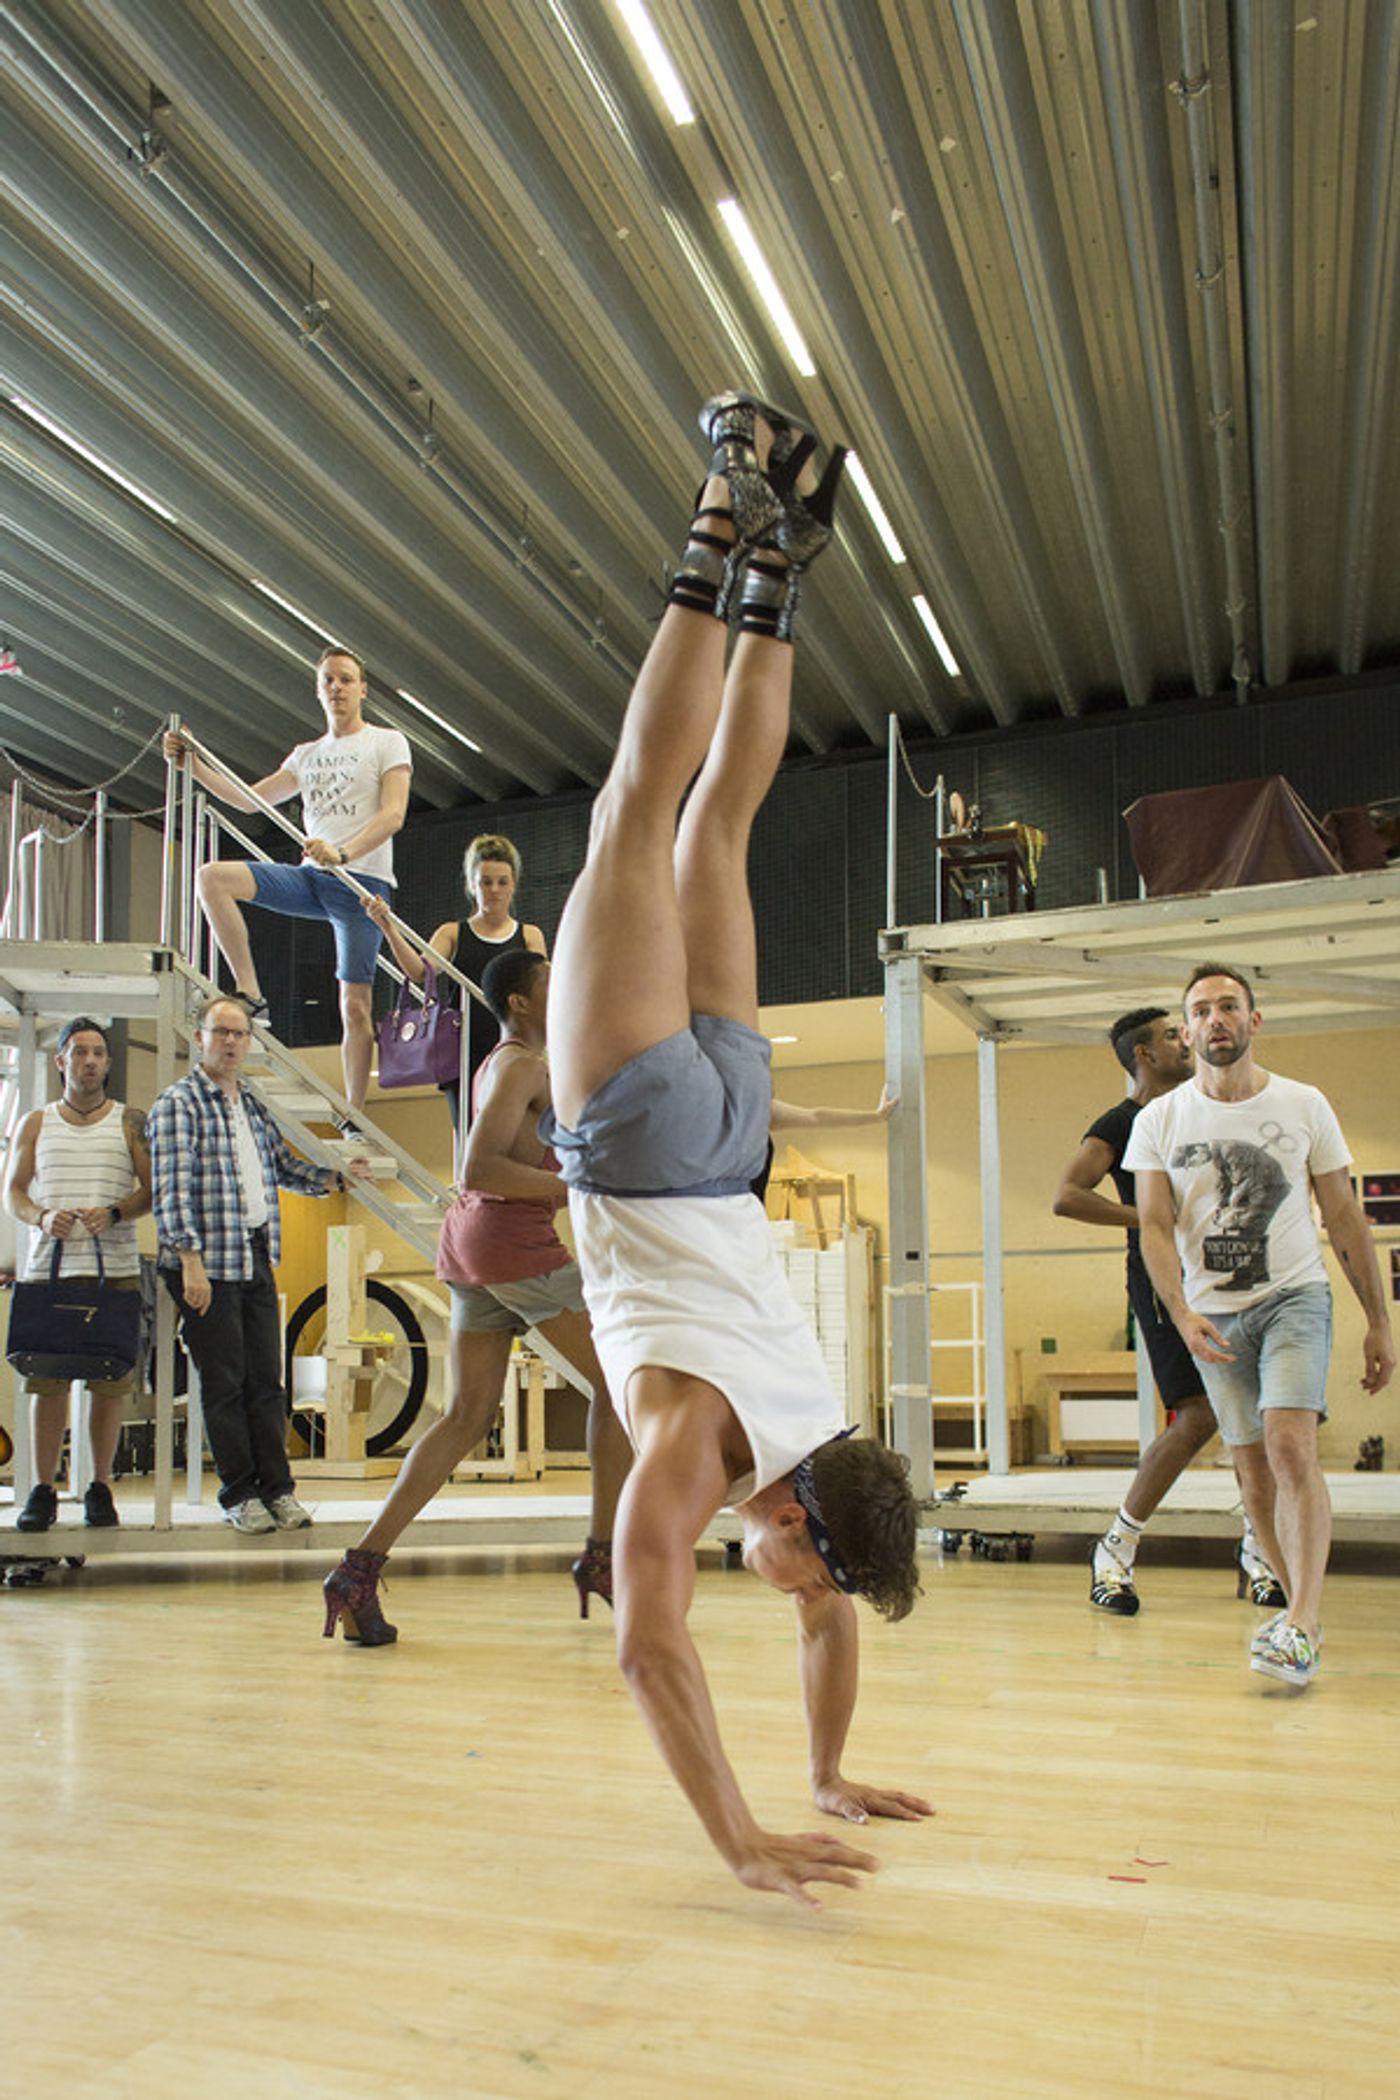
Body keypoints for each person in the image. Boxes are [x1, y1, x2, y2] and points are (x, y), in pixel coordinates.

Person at [541, 391, 929, 1905]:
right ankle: (723, 504)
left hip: (731, 1126)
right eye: (806, 1569)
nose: (796, 1599)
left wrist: (827, 1774)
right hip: (643, 1134)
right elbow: (649, 1642)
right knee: (636, 817)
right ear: (798, 1520)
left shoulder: (830, 1430)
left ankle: (781, 576)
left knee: (718, 830)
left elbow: (830, 1615)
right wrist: (746, 1831)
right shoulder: (701, 1447)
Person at [321, 946, 631, 1645]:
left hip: (477, 1247)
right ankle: (603, 1557)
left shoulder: (516, 1064)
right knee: (617, 1383)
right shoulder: (519, 1064)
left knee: (465, 1416)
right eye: (553, 979)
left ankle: (359, 1568)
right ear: (521, 1001)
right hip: (508, 1242)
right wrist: (570, 1188)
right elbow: (478, 1166)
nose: (568, 983)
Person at [1128, 962, 1395, 1688]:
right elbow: (1153, 1225)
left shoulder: (1305, 1105)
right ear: (1185, 1032)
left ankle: (1301, 1621)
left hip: (1293, 1297)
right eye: (1202, 1011)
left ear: (1254, 1021)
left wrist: (1379, 1321)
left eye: (1229, 1006)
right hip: (1212, 1316)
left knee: (1288, 1444)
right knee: (1251, 1476)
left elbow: (1343, 1215)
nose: (1216, 1019)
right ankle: (1297, 1613)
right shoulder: (1159, 1121)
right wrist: (1179, 1312)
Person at [1053, 1008, 1284, 1614]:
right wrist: (1150, 1218)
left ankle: (1259, 1552)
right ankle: (1115, 1548)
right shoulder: (1122, 1121)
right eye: (1170, 1035)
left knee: (1254, 1416)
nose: (1186, 1041)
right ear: (1143, 1055)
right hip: (1164, 1283)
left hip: (1228, 1275)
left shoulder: (1202, 1109)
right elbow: (1067, 1195)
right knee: (1200, 1415)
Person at [148, 996, 370, 1533]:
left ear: (250, 1042)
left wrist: (335, 1179)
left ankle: (279, 1490)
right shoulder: (178, 1104)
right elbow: (171, 1191)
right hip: (203, 1261)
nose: (230, 1042)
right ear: (199, 1038)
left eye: (239, 1034)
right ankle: (238, 1493)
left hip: (252, 1253)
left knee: (267, 1381)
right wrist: (190, 1261)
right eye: (220, 1032)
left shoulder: (251, 1103)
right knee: (224, 1383)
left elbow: (283, 1169)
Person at [162, 647, 412, 1115]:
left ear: (362, 689)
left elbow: (393, 813)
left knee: (355, 1006)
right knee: (212, 877)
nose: (336, 687)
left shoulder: (387, 741)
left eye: (345, 679)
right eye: (328, 681)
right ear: (319, 691)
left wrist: (344, 852)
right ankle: (252, 993)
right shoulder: (307, 755)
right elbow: (250, 800)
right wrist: (193, 766)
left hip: (361, 883)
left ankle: (354, 1112)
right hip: (311, 877)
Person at [4, 1018, 151, 1531]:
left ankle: (100, 1486)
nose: (89, 1060)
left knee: (108, 1383)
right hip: (48, 1272)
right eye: (79, 1052)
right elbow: (14, 1191)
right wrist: (43, 1217)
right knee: (46, 1383)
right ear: (60, 1061)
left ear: (108, 1063)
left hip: (114, 1272)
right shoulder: (35, 1123)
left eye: (98, 1053)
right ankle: (43, 1489)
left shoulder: (130, 1122)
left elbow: (151, 1192)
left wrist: (112, 1213)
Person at [365, 833, 546, 1136]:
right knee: (472, 1132)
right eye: (485, 882)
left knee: (518, 1134)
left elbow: (543, 991)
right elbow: (420, 973)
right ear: (472, 885)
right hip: (464, 1050)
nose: (494, 891)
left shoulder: (529, 935)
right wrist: (388, 927)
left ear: (513, 884)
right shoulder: (453, 933)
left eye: (502, 882)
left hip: (513, 1046)